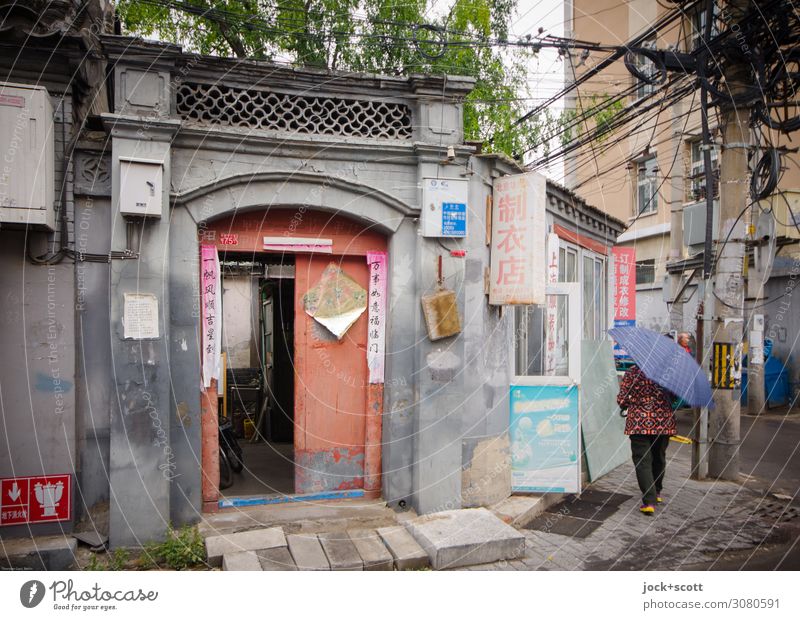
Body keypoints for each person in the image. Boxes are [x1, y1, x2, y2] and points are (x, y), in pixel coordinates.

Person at [616, 364, 677, 515]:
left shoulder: (632, 372)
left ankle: (649, 501)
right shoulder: (668, 372)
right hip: (663, 423)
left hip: (638, 423)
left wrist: (633, 403)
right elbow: (675, 396)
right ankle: (656, 492)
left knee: (643, 461)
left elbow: (622, 399)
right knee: (658, 458)